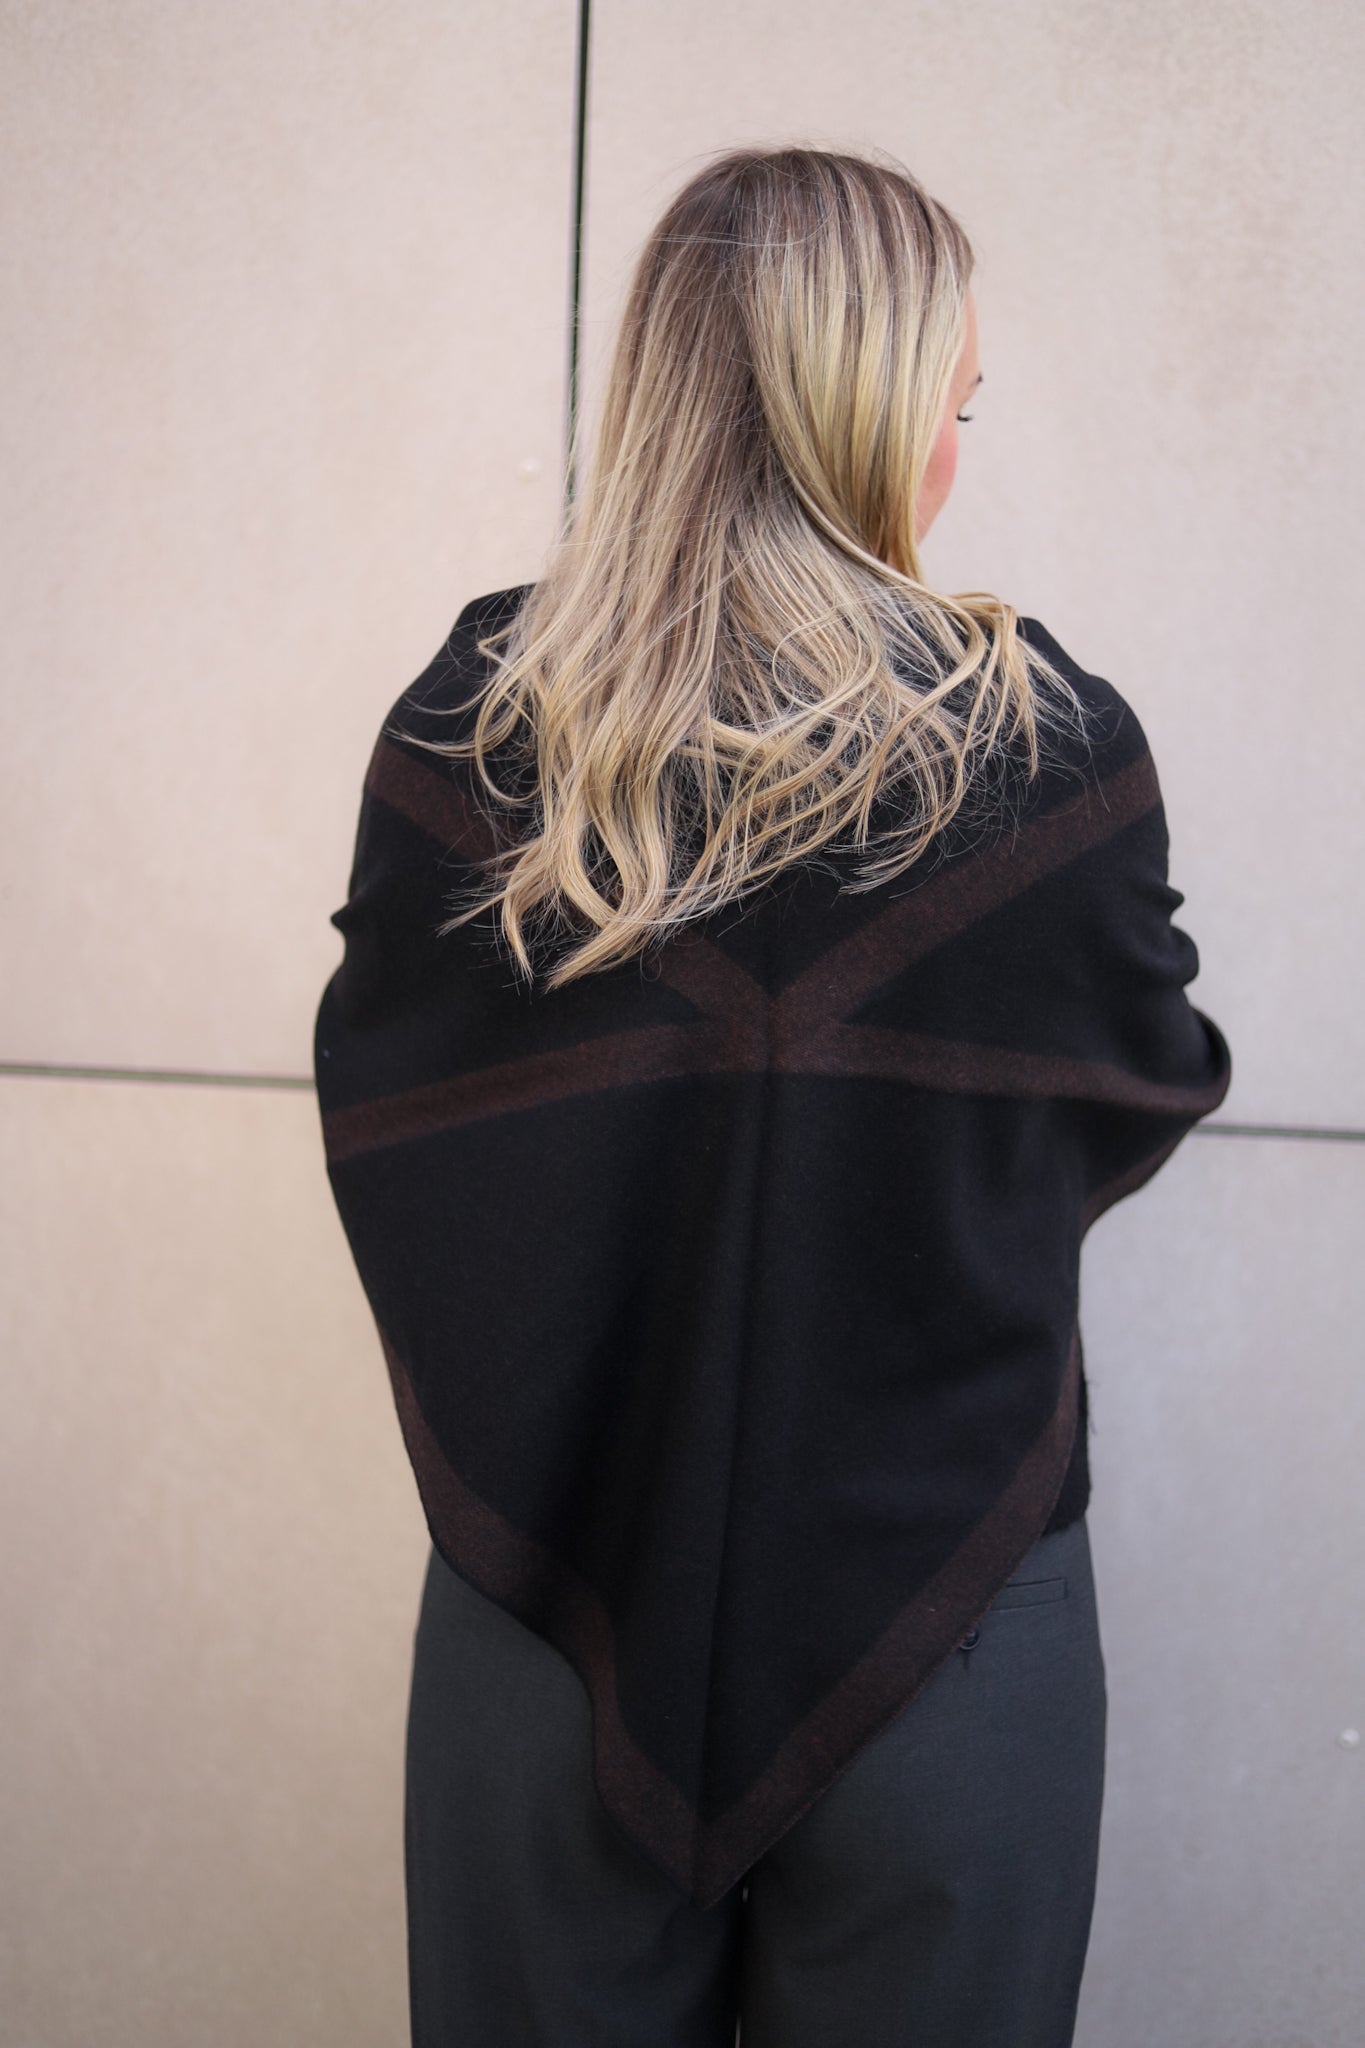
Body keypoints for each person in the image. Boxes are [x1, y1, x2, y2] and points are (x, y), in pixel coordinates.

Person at [314, 145, 1232, 2047]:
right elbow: (1143, 1074)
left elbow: (390, 1105)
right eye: (947, 407)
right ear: (861, 410)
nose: (950, 455)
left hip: (549, 1575)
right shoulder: (1046, 751)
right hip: (945, 1597)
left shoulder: (477, 721)